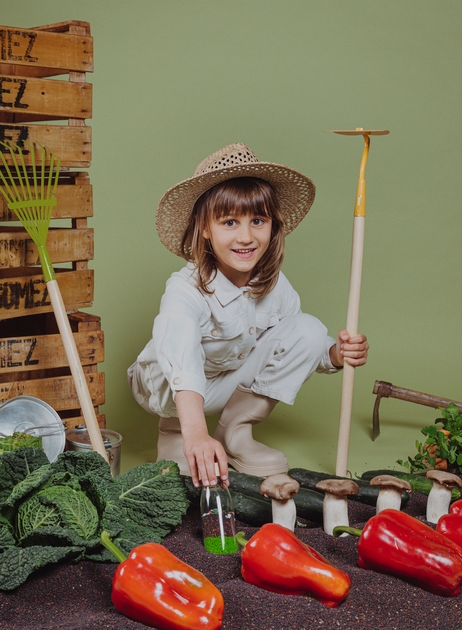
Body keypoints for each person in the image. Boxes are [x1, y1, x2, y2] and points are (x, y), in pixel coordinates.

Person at [127, 143, 369, 490]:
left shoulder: (274, 285)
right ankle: (178, 434)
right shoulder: (186, 288)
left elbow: (293, 343)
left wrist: (335, 354)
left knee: (310, 330)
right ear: (205, 227)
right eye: (229, 222)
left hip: (225, 379)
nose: (246, 237)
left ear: (273, 226)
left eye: (258, 221)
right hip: (163, 388)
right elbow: (179, 357)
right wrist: (196, 433)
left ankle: (235, 432)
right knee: (183, 357)